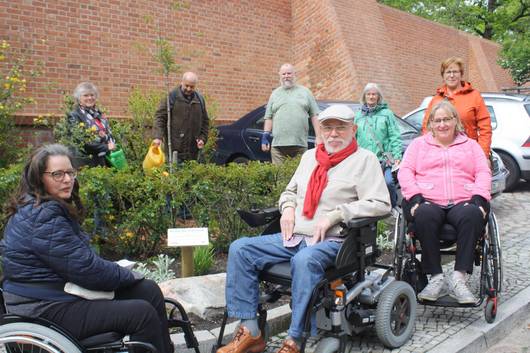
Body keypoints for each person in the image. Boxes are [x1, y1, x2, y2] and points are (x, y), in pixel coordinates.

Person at [218, 105, 391, 353]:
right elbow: (290, 191)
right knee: (240, 249)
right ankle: (251, 331)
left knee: (304, 260)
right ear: (320, 130)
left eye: (340, 127)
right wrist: (288, 208)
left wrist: (336, 214)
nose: (333, 133)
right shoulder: (309, 158)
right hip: (295, 236)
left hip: (335, 240)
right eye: (327, 127)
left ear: (353, 130)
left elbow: (381, 203)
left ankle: (295, 339)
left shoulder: (365, 160)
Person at [1, 144, 173, 353]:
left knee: (148, 290)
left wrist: (129, 278)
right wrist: (128, 274)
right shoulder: (42, 216)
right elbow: (87, 270)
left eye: (70, 173)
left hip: (53, 292)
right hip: (42, 307)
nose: (67, 179)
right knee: (141, 314)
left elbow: (78, 263)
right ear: (39, 178)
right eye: (57, 174)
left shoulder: (38, 207)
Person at [398, 101, 491, 304]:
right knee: (423, 213)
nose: (442, 124)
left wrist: (478, 198)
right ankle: (435, 277)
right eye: (437, 120)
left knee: (473, 214)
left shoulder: (470, 146)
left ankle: (459, 279)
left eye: (446, 119)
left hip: (463, 200)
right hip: (428, 200)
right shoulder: (418, 145)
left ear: (455, 121)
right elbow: (405, 172)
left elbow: (483, 172)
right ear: (431, 123)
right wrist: (414, 197)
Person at [421, 57, 492, 159]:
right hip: (441, 154)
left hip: (468, 153)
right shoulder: (436, 100)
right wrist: (430, 150)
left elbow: (485, 128)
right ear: (443, 75)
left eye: (455, 72)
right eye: (448, 72)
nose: (452, 75)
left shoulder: (474, 96)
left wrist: (483, 154)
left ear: (461, 74)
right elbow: (426, 128)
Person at [261, 63, 320, 165]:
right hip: (278, 148)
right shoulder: (275, 94)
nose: (286, 76)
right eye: (283, 74)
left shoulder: (305, 92)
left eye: (289, 73)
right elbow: (269, 117)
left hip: (300, 145)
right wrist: (265, 136)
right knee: (280, 179)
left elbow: (314, 115)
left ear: (294, 74)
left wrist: (319, 136)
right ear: (279, 75)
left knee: (300, 178)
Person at [355, 83, 402, 208]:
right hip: (365, 160)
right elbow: (353, 138)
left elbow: (394, 136)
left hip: (383, 159)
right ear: (364, 97)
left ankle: (393, 209)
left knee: (388, 183)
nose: (371, 96)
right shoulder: (358, 116)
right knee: (365, 187)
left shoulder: (387, 114)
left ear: (378, 96)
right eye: (368, 94)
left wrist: (397, 155)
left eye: (374, 94)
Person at [153, 71, 209, 163]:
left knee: (191, 176)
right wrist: (158, 136)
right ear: (181, 82)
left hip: (193, 151)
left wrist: (202, 138)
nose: (189, 88)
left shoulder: (199, 100)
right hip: (175, 149)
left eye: (192, 87)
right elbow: (160, 117)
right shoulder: (172, 97)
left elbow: (205, 122)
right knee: (175, 175)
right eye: (186, 85)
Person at [67, 82, 116, 167]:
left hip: (104, 160)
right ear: (79, 99)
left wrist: (111, 145)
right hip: (87, 162)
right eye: (85, 95)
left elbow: (108, 134)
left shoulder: (98, 114)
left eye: (92, 95)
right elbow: (81, 141)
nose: (90, 98)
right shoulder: (74, 115)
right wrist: (106, 147)